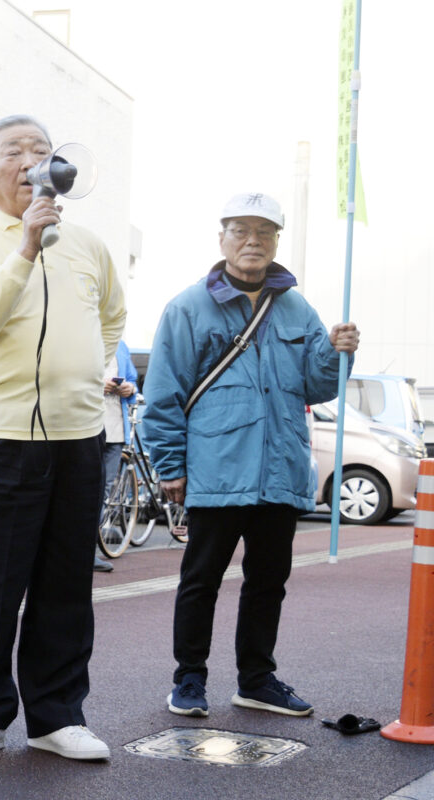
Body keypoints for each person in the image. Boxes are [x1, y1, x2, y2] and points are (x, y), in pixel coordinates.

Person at [0, 115, 125, 762]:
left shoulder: (89, 246)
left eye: (42, 150)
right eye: (14, 151)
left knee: (65, 582)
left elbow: (113, 315)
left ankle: (57, 716)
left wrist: (84, 372)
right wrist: (24, 249)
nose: (32, 160)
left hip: (77, 433)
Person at [141, 192, 359, 719]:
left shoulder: (297, 307)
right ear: (222, 239)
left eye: (264, 232)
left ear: (277, 241)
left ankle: (256, 679)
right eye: (241, 230)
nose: (252, 241)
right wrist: (171, 465)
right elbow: (164, 394)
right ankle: (188, 680)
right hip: (216, 470)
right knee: (201, 582)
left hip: (280, 471)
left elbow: (317, 385)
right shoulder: (188, 307)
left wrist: (337, 352)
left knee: (268, 584)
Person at [94, 340, 139, 573]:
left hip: (116, 429)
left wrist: (129, 389)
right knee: (84, 489)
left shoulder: (121, 346)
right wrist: (96, 385)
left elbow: (132, 381)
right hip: (90, 427)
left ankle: (89, 551)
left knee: (104, 489)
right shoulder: (84, 338)